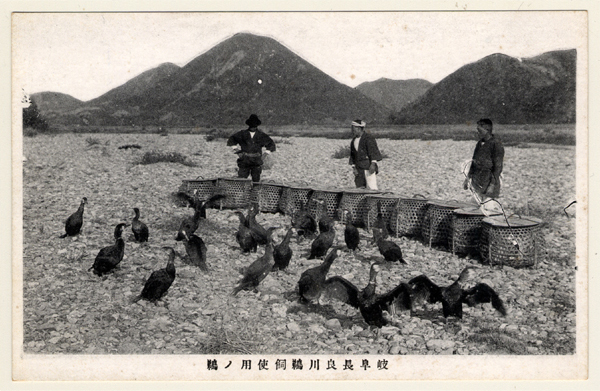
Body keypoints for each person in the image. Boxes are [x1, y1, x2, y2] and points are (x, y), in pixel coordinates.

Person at [463, 118, 505, 215]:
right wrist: (467, 178)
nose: (477, 132)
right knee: (474, 209)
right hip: (477, 182)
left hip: (489, 183)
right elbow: (474, 162)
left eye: (479, 130)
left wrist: (492, 185)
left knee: (489, 210)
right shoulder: (479, 144)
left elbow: (498, 167)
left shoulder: (496, 144)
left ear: (486, 129)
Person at [227, 114, 276, 182]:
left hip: (256, 161)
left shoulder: (261, 135)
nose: (253, 127)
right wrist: (237, 151)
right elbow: (231, 140)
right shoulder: (242, 133)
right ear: (249, 125)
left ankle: (255, 191)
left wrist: (264, 155)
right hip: (244, 160)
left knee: (256, 181)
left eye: (255, 125)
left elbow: (271, 144)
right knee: (241, 180)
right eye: (252, 125)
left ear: (257, 125)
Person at [349, 119, 382, 190]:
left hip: (368, 167)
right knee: (360, 187)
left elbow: (373, 151)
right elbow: (352, 155)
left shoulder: (368, 138)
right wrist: (354, 167)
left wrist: (373, 164)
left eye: (354, 129)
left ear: (359, 128)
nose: (352, 131)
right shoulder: (353, 140)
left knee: (372, 187)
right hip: (358, 168)